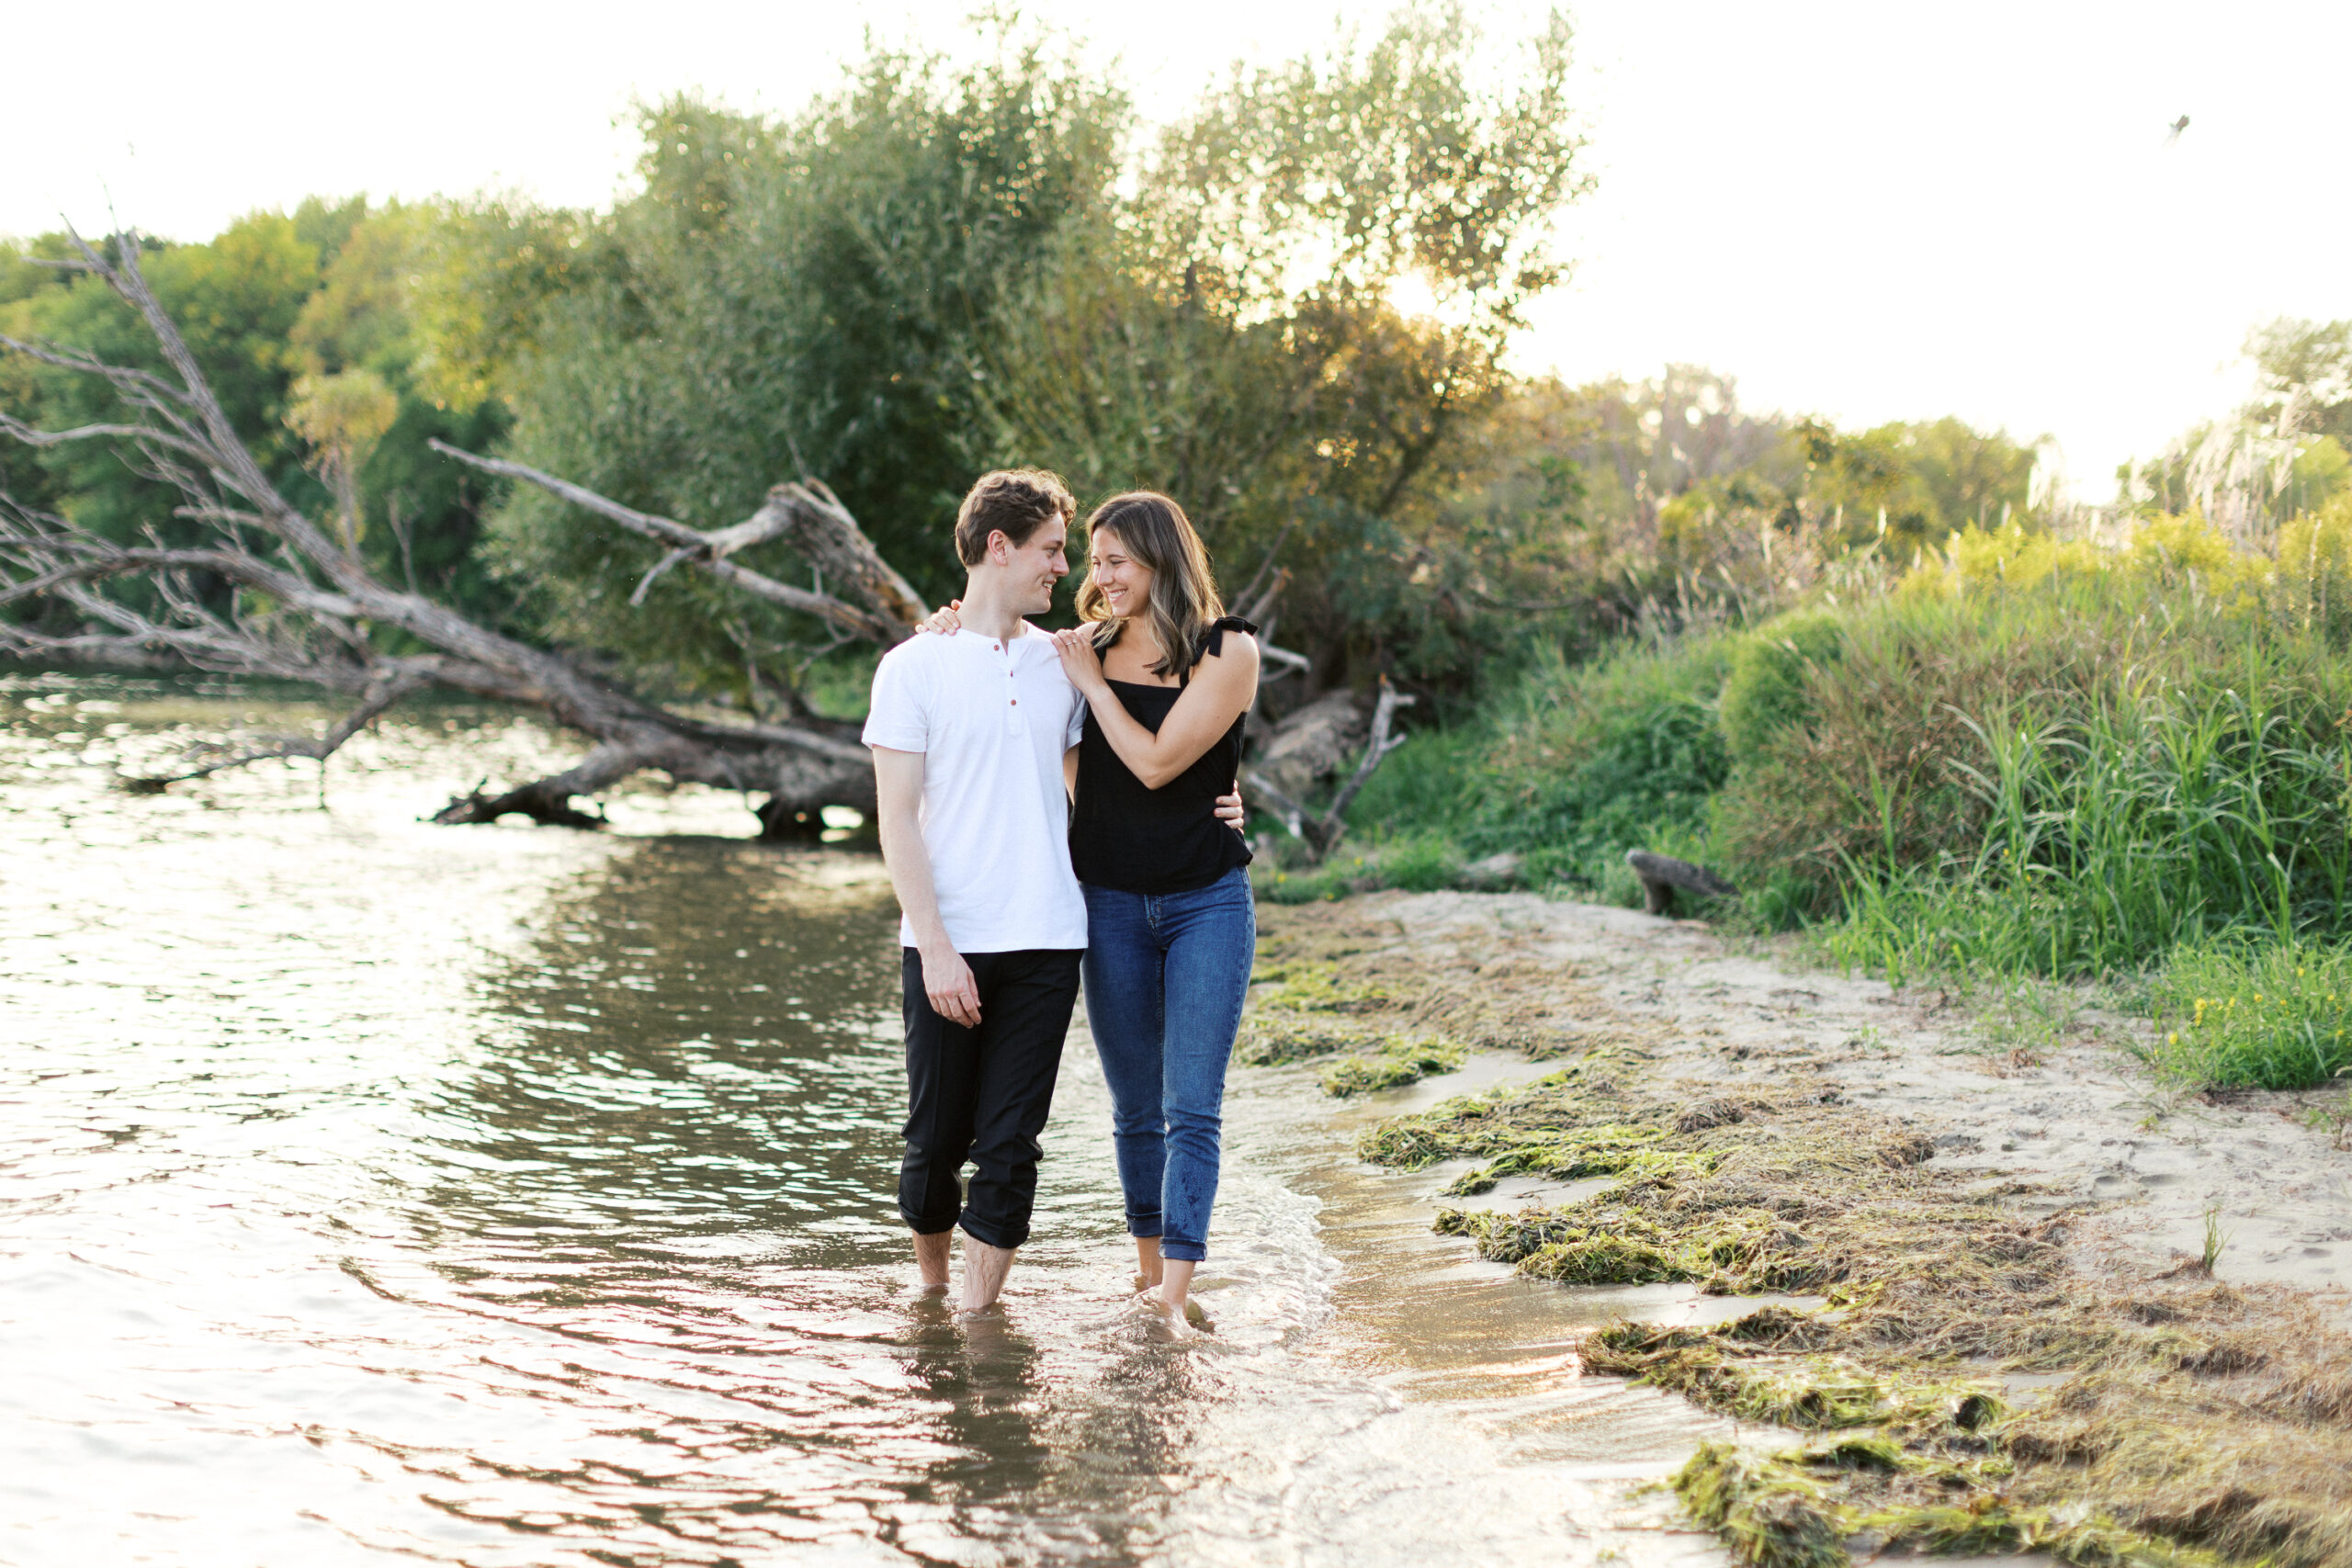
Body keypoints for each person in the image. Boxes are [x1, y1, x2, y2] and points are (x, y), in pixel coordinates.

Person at [866, 470, 1247, 1319]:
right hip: (967, 932)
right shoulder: (923, 664)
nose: (1071, 569)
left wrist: (1223, 793)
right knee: (934, 1146)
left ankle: (982, 1325)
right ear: (1000, 547)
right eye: (1056, 551)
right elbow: (899, 819)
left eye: (1090, 556)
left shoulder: (1066, 660)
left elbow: (1154, 744)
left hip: (1052, 932)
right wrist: (934, 945)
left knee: (1014, 1147)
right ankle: (934, 1310)